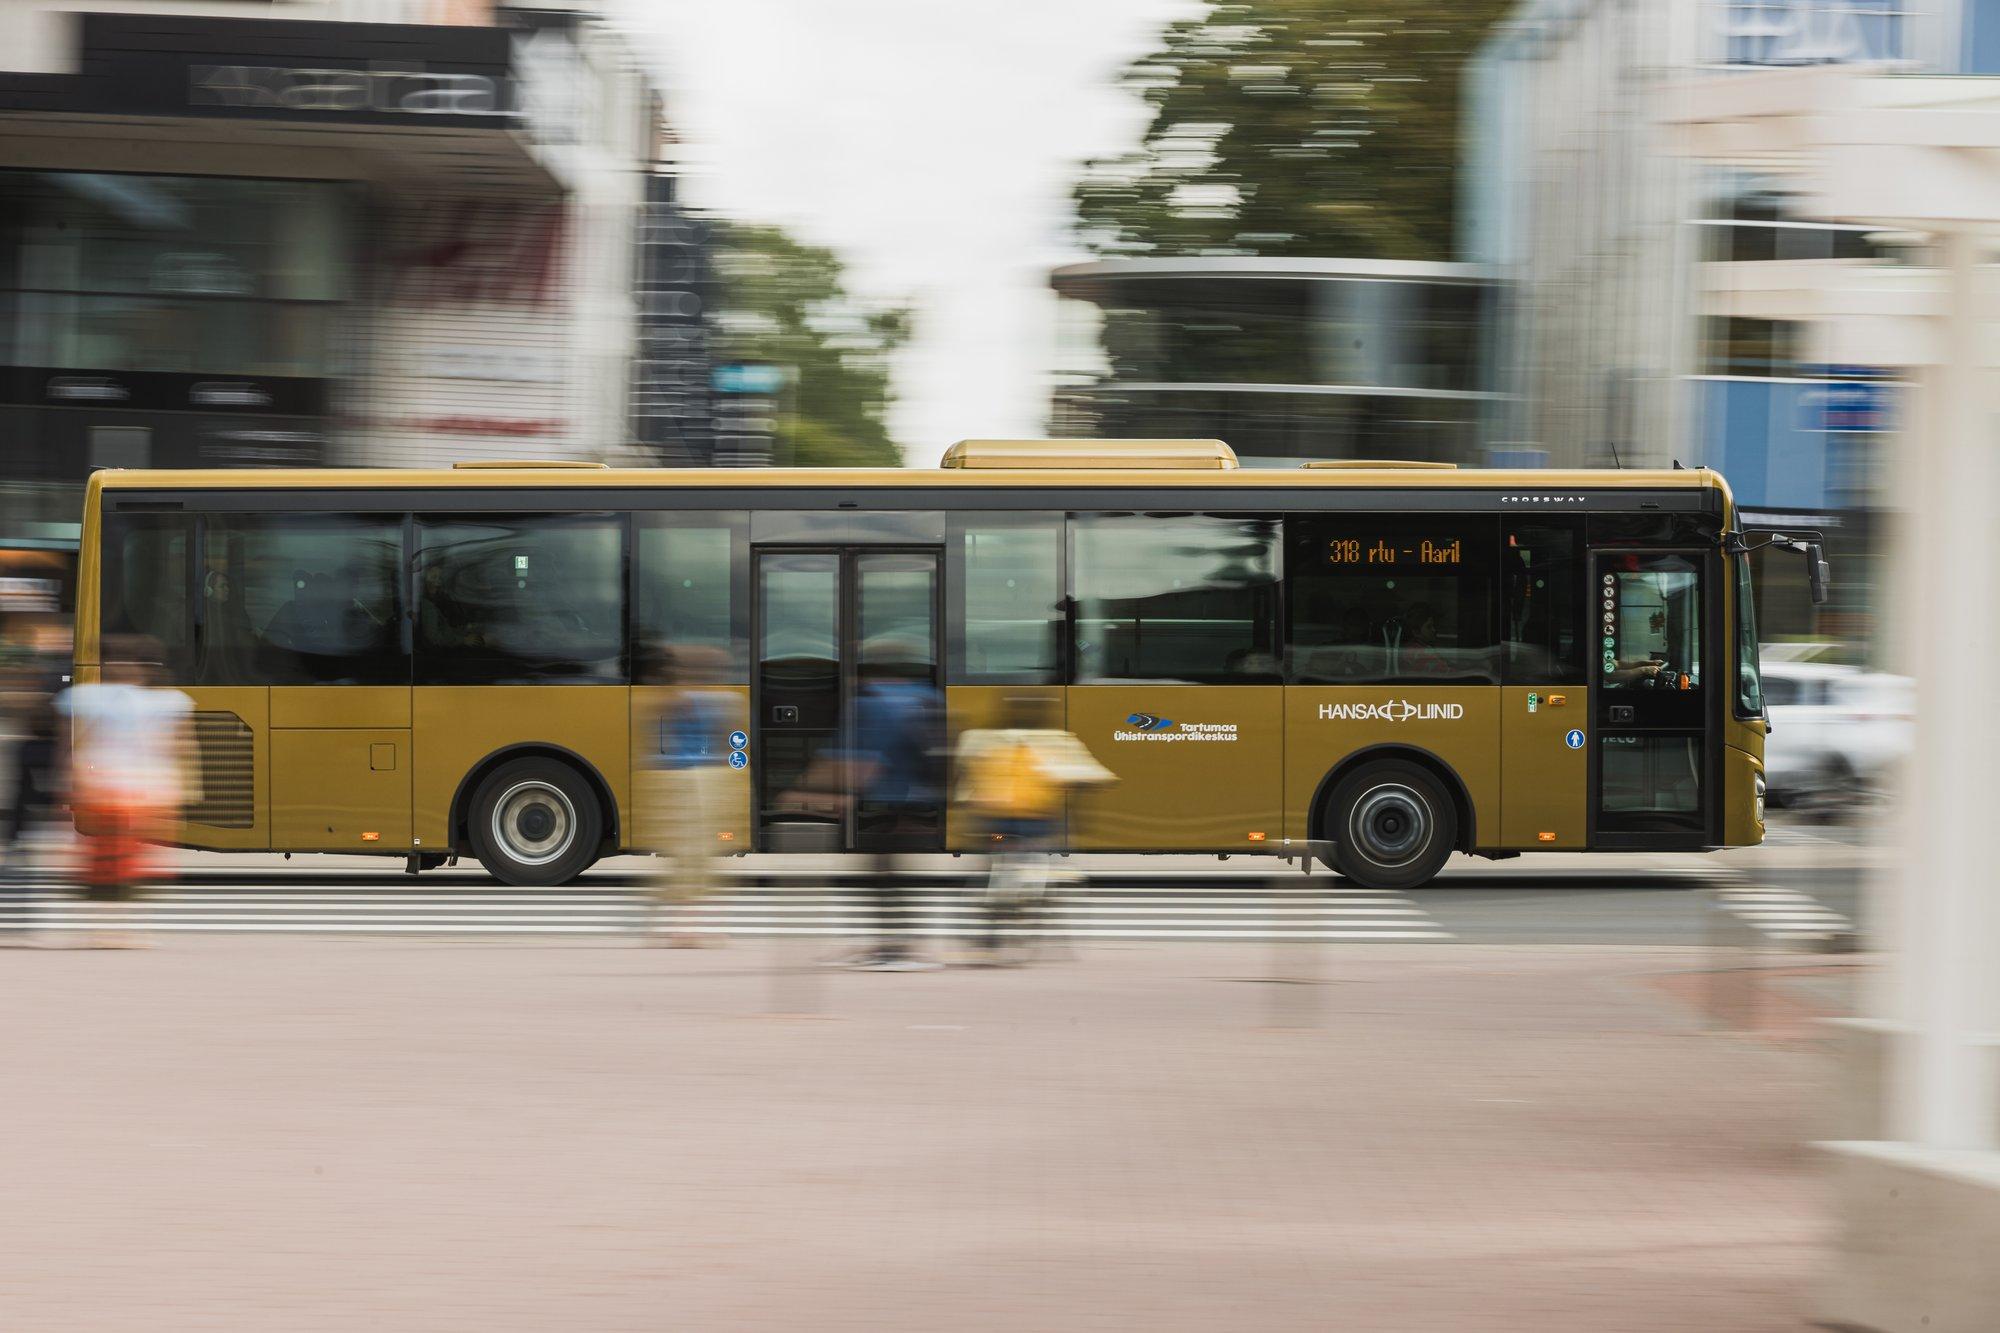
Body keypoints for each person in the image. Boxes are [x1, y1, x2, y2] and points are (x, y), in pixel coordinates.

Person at [55, 636, 197, 948]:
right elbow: (69, 745)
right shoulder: (88, 698)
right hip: (105, 789)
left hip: (139, 790)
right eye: (116, 660)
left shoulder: (166, 702)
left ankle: (120, 926)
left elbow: (176, 745)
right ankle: (108, 927)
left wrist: (177, 785)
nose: (121, 666)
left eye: (128, 660)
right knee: (107, 862)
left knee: (128, 862)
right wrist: (69, 781)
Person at [953, 696, 1115, 965]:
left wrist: (967, 802)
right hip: (1036, 824)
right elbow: (1093, 776)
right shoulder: (1057, 740)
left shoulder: (981, 739)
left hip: (994, 822)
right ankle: (1032, 920)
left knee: (993, 872)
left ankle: (988, 939)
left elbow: (963, 774)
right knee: (1035, 870)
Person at [849, 646, 943, 970]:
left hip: (889, 801)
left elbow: (870, 757)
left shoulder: (873, 702)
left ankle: (892, 946)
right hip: (923, 799)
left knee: (883, 874)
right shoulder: (928, 697)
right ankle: (899, 943)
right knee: (893, 874)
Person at [637, 642, 733, 947]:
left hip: (678, 780)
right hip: (698, 785)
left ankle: (680, 926)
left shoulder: (673, 699)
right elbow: (718, 744)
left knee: (687, 859)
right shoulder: (717, 701)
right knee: (696, 859)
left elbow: (658, 742)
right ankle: (685, 928)